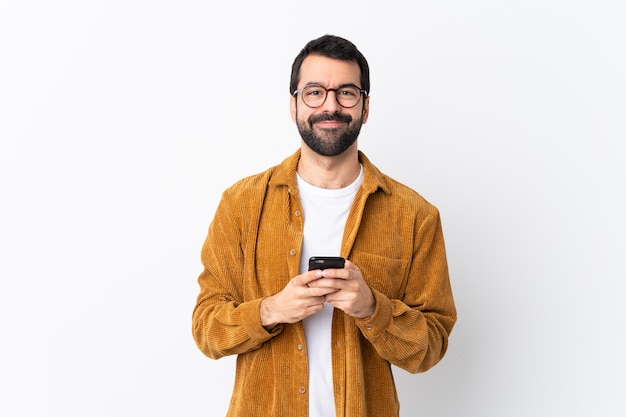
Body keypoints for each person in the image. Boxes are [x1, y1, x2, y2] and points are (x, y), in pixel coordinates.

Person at [192, 34, 457, 417]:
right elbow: (206, 329)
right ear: (294, 104)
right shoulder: (242, 205)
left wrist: (372, 308)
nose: (331, 105)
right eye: (315, 92)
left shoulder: (415, 216)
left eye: (347, 92)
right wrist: (271, 310)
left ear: (366, 107)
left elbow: (431, 348)